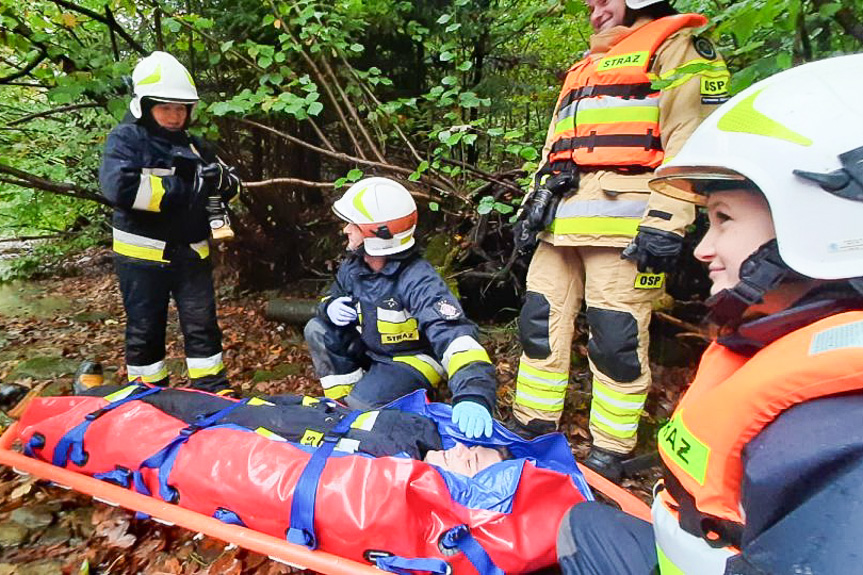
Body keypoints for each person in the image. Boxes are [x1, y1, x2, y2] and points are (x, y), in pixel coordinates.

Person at [557, 54, 863, 574]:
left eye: (723, 219)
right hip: (695, 548)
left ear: (821, 223)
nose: (703, 249)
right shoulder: (784, 353)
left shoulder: (837, 446)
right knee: (582, 525)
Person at [510, 0, 730, 481]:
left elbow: (689, 141)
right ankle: (531, 427)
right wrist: (532, 209)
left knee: (617, 339)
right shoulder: (584, 67)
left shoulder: (677, 49)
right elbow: (554, 152)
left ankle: (611, 450)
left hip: (627, 229)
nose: (594, 8)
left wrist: (667, 221)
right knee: (538, 326)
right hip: (560, 225)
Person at [304, 176, 498, 439]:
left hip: (412, 360)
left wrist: (474, 392)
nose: (346, 229)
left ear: (376, 234)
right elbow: (330, 297)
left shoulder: (418, 279)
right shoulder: (354, 267)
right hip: (375, 352)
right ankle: (342, 407)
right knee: (317, 329)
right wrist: (329, 308)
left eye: (354, 225)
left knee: (363, 409)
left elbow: (454, 335)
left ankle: (362, 407)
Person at [99, 51, 240, 393]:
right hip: (142, 257)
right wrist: (184, 186)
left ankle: (212, 390)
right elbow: (119, 187)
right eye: (166, 108)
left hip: (192, 253)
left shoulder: (197, 145)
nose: (175, 116)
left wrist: (221, 180)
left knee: (202, 325)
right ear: (145, 106)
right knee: (145, 329)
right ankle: (148, 396)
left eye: (181, 108)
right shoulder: (126, 139)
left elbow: (232, 188)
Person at [77, 383, 506, 475]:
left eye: (477, 465)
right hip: (295, 414)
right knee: (188, 404)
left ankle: (93, 415)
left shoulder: (401, 478)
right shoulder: (423, 427)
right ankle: (103, 400)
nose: (468, 452)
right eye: (477, 450)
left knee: (184, 424)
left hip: (273, 443)